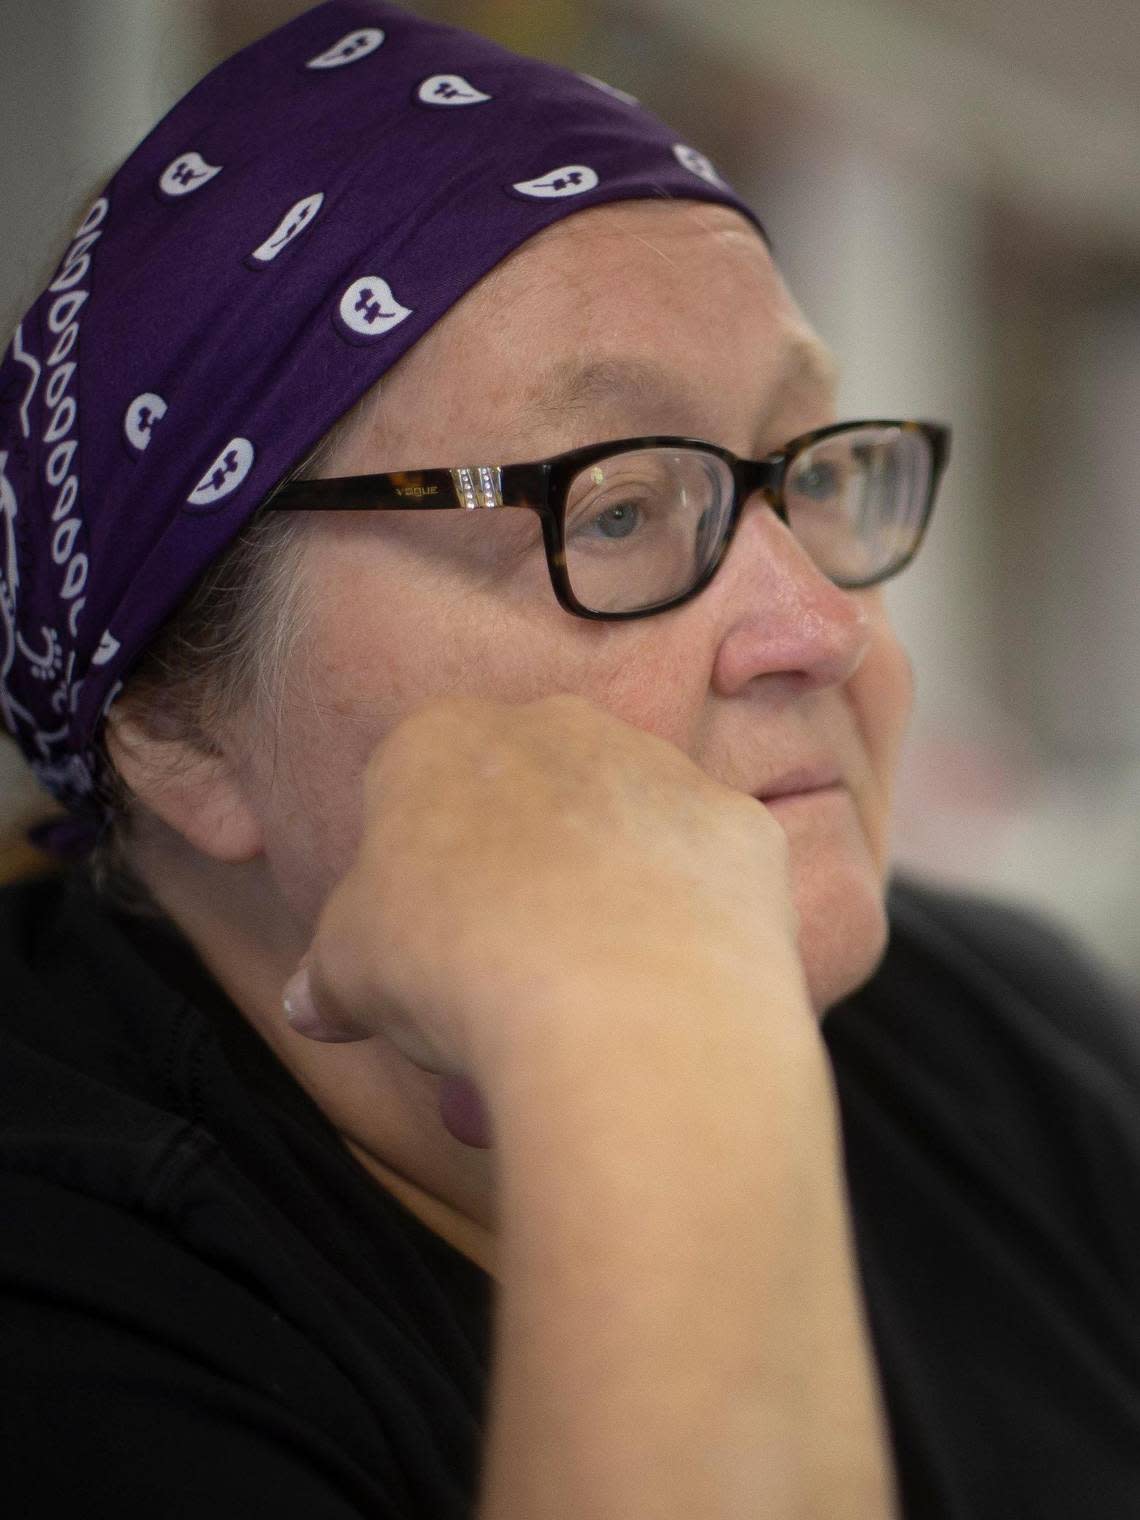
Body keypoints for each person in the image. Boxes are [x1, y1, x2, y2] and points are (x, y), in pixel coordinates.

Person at [1, 2, 1137, 1515]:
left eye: (809, 470)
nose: (822, 626)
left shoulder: (1006, 1031)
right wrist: (642, 1027)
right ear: (174, 724)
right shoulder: (65, 1309)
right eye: (612, 508)